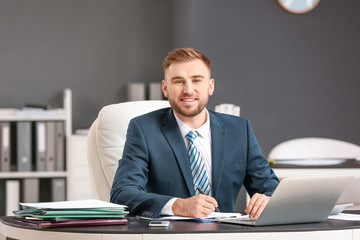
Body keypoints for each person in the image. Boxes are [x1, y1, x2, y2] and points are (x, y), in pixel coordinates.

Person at [110, 48, 279, 218]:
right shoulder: (143, 129)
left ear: (210, 86)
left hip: (227, 232)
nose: (188, 90)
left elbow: (270, 188)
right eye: (178, 81)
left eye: (196, 80)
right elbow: (122, 194)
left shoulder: (239, 129)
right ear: (165, 88)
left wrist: (269, 199)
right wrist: (178, 205)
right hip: (171, 234)